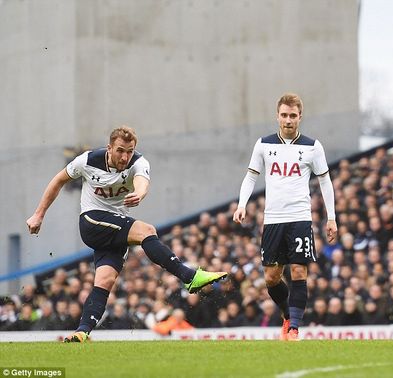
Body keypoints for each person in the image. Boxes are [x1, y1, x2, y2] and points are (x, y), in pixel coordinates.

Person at [26, 126, 227, 342]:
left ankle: (82, 331)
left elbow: (142, 182)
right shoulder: (87, 160)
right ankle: (189, 276)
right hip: (92, 222)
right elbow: (58, 180)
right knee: (147, 231)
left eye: (129, 151)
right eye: (120, 150)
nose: (125, 156)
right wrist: (38, 214)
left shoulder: (139, 162)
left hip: (115, 230)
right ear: (109, 147)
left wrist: (139, 193)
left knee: (105, 281)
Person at [232, 93, 337, 341]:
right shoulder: (264, 144)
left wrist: (331, 217)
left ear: (300, 117)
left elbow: (325, 181)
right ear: (277, 116)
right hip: (273, 219)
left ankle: (294, 329)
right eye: (284, 115)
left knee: (299, 272)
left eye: (293, 115)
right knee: (271, 278)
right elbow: (251, 176)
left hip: (300, 216)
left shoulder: (313, 146)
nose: (288, 120)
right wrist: (242, 204)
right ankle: (287, 315)